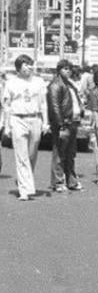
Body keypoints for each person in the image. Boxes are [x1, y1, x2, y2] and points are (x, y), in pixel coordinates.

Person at [3, 55, 47, 200]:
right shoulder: (11, 83)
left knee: (31, 154)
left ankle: (26, 179)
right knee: (21, 156)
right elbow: (7, 105)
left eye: (30, 64)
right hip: (18, 119)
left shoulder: (39, 82)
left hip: (35, 118)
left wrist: (45, 122)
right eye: (25, 65)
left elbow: (43, 104)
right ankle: (24, 189)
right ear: (18, 68)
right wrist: (8, 125)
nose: (29, 67)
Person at [46, 58, 84, 192]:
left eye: (69, 69)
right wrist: (60, 123)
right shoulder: (55, 85)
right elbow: (54, 106)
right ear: (59, 70)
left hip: (73, 122)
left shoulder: (70, 84)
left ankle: (71, 181)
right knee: (59, 154)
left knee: (71, 154)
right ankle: (58, 182)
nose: (68, 71)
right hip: (64, 124)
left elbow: (76, 101)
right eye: (65, 69)